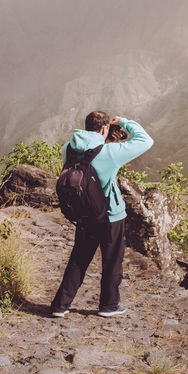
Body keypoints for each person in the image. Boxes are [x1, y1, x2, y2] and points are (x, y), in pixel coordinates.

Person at [50, 111, 154, 318]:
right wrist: (123, 122)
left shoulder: (68, 148)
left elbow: (87, 156)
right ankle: (109, 306)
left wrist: (103, 139)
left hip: (83, 215)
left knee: (78, 259)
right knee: (112, 260)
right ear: (105, 128)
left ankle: (60, 306)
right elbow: (145, 140)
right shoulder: (110, 153)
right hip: (109, 216)